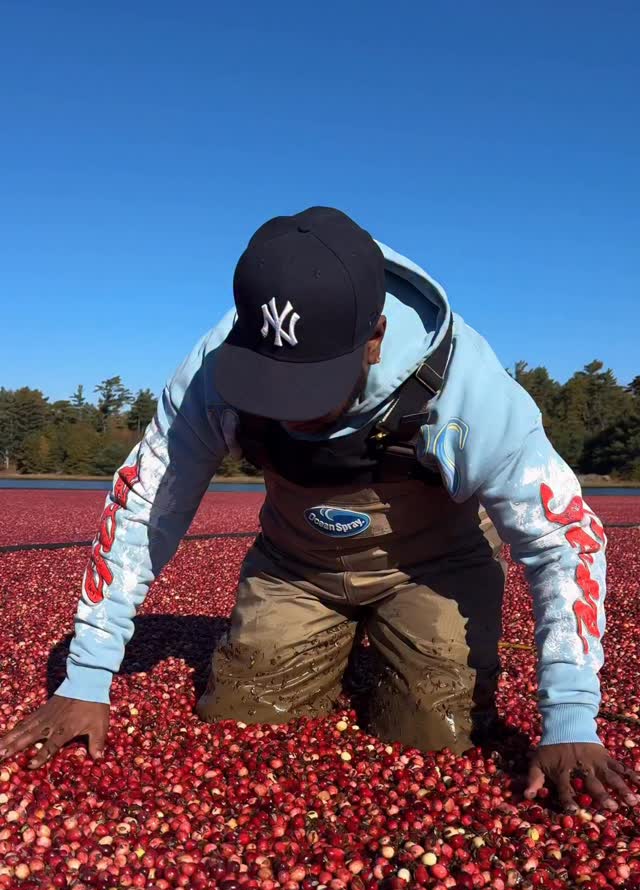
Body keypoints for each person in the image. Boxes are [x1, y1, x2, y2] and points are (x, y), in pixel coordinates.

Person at [1, 206, 638, 814]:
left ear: (375, 338)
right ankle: (329, 636)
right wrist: (85, 677)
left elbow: (562, 540)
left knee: (435, 734)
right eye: (272, 387)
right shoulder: (212, 369)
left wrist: (571, 715)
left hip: (433, 566)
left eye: (313, 389)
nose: (290, 412)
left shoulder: (465, 389)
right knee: (240, 716)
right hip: (296, 566)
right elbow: (145, 505)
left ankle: (398, 638)